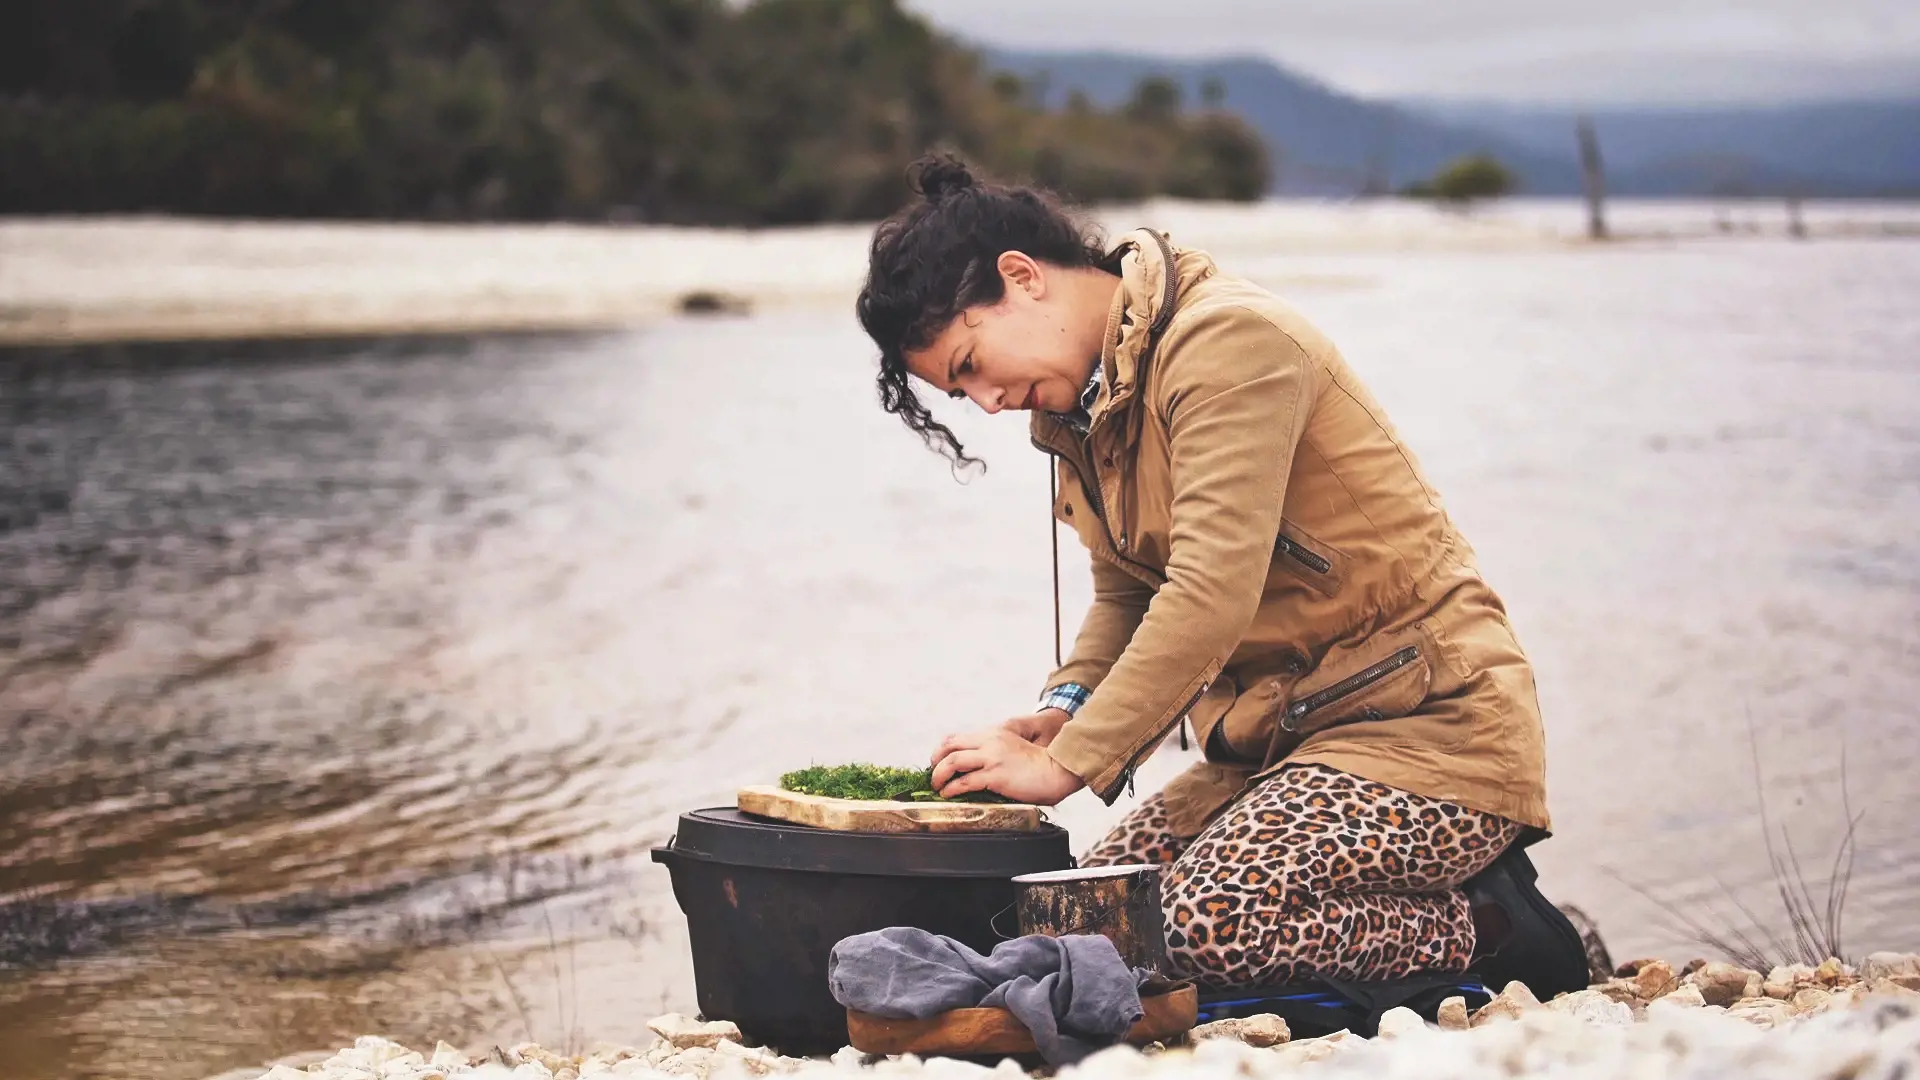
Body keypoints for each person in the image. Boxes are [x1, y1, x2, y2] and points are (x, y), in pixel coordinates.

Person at [855, 155, 1587, 996]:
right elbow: (1128, 594)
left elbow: (1210, 591)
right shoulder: (1083, 406)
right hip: (1277, 748)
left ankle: (1490, 929)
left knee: (1206, 924)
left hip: (1432, 733)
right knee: (1081, 923)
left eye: (970, 364)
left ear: (1022, 278)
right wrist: (1064, 712)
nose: (987, 403)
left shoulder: (1230, 342)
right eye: (961, 394)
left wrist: (1067, 768)